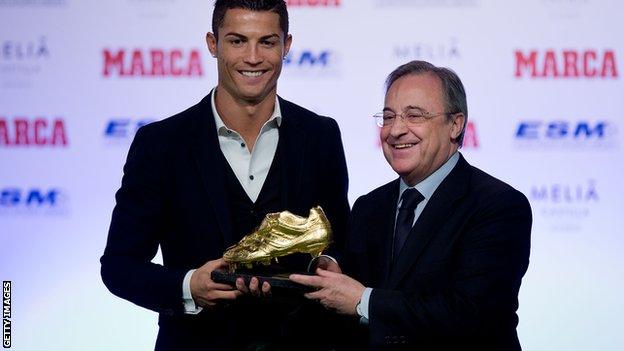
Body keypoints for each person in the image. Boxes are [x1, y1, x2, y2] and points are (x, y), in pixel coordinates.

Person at [100, 1, 349, 350]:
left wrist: (329, 263)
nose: (252, 57)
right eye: (237, 41)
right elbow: (118, 266)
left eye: (267, 41)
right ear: (212, 44)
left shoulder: (320, 135)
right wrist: (189, 286)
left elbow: (340, 237)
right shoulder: (161, 145)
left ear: (286, 46)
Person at [291, 60, 532, 350]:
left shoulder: (499, 206)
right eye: (389, 117)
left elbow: (472, 314)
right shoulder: (370, 207)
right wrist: (328, 267)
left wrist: (364, 302)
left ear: (455, 125)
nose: (395, 130)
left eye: (414, 116)